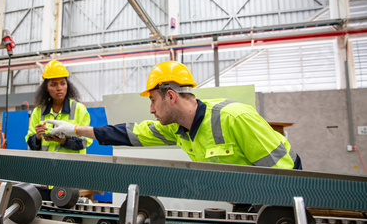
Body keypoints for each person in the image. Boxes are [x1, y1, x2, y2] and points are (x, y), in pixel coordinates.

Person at [46, 60, 302, 170]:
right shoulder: (176, 128)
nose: (151, 110)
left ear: (170, 96)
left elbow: (285, 173)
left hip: (275, 206)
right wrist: (74, 130)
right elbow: (127, 133)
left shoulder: (234, 118)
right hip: (246, 206)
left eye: (153, 101)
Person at [25, 60, 92, 154]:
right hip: (46, 165)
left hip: (72, 166)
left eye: (62, 83)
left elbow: (86, 141)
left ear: (67, 85)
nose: (59, 88)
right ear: (46, 88)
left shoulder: (79, 109)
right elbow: (30, 142)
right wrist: (38, 136)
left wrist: (65, 141)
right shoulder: (38, 111)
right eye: (53, 84)